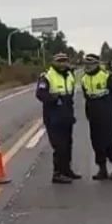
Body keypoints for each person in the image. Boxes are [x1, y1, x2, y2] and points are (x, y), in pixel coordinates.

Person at [36, 53, 81, 184]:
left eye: (64, 61)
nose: (62, 63)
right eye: (59, 61)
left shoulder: (69, 75)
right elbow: (40, 93)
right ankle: (57, 173)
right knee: (59, 146)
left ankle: (67, 170)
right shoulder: (47, 76)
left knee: (68, 144)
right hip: (53, 115)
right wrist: (54, 99)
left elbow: (71, 92)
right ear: (54, 62)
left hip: (67, 114)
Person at [82, 54, 112, 180]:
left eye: (90, 63)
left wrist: (110, 107)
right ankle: (102, 169)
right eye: (86, 63)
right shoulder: (84, 78)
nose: (87, 66)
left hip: (105, 111)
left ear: (96, 63)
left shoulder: (107, 75)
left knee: (109, 141)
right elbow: (86, 95)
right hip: (92, 112)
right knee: (96, 142)